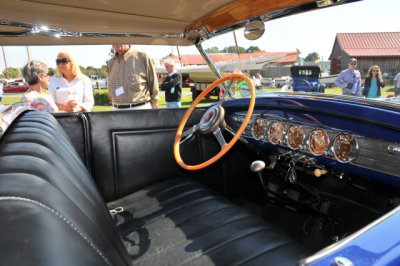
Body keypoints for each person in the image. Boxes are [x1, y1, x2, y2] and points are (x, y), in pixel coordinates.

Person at [107, 44, 159, 110]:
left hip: (139, 109)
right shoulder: (111, 62)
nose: (116, 42)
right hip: (116, 110)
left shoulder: (142, 57)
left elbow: (153, 83)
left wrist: (153, 106)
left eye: (120, 37)